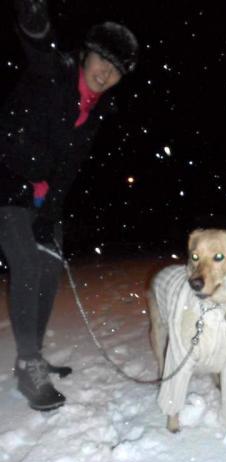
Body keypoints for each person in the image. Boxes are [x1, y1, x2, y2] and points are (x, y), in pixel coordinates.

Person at [0, 0, 138, 411]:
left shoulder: (95, 114)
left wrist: (50, 211)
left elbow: (70, 168)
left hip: (41, 198)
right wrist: (35, 28)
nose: (105, 73)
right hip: (6, 184)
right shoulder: (55, 75)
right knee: (26, 266)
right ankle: (28, 365)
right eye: (102, 60)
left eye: (116, 70)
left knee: (49, 271)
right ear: (86, 54)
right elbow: (41, 51)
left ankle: (33, 357)